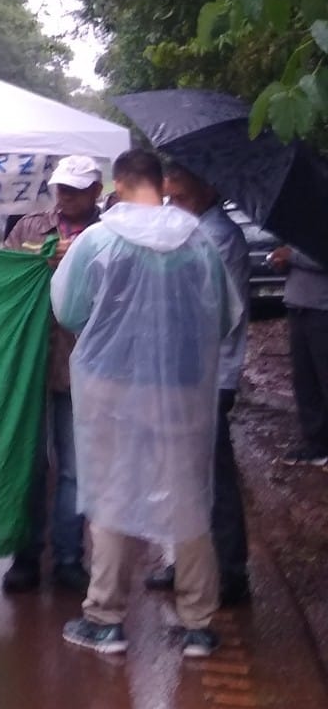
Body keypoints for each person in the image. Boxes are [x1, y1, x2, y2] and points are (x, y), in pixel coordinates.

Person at [53, 149, 238, 659]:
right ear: (160, 183)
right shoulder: (199, 240)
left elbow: (68, 311)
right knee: (188, 497)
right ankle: (198, 623)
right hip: (182, 388)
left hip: (111, 385)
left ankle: (105, 618)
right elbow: (223, 318)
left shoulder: (97, 240)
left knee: (111, 495)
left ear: (118, 182)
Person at [139, 162, 251, 605]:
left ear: (207, 186)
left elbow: (205, 311)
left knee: (211, 477)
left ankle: (229, 571)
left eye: (179, 193)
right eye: (169, 192)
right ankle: (188, 560)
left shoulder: (217, 235)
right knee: (184, 475)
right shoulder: (196, 228)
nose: (172, 200)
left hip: (207, 375)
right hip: (186, 372)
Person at [0, 155, 103, 595]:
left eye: (77, 189)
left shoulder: (109, 234)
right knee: (29, 464)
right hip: (31, 362)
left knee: (75, 470)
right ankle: (25, 556)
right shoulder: (28, 227)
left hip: (84, 364)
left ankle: (66, 558)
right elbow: (2, 277)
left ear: (97, 191)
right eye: (62, 187)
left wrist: (78, 261)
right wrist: (38, 260)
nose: (66, 196)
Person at [267, 236, 328, 467]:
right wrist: (280, 262)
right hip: (297, 306)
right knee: (305, 381)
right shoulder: (300, 224)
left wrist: (293, 256)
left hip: (323, 309)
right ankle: (317, 444)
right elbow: (295, 261)